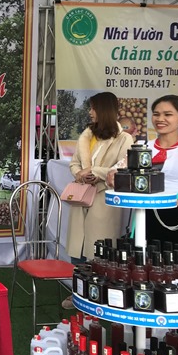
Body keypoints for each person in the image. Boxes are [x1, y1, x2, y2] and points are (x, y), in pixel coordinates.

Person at [108, 94, 178, 268]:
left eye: (168, 114)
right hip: (146, 216)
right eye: (156, 114)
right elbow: (115, 172)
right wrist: (115, 177)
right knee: (146, 269)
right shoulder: (142, 148)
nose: (160, 119)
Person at [63, 92, 133, 309]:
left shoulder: (124, 139)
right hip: (82, 197)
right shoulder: (86, 136)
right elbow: (74, 163)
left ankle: (100, 296)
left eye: (93, 108)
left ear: (103, 110)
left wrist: (95, 172)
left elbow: (123, 168)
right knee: (78, 248)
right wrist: (79, 173)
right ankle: (78, 292)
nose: (90, 112)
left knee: (100, 250)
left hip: (104, 200)